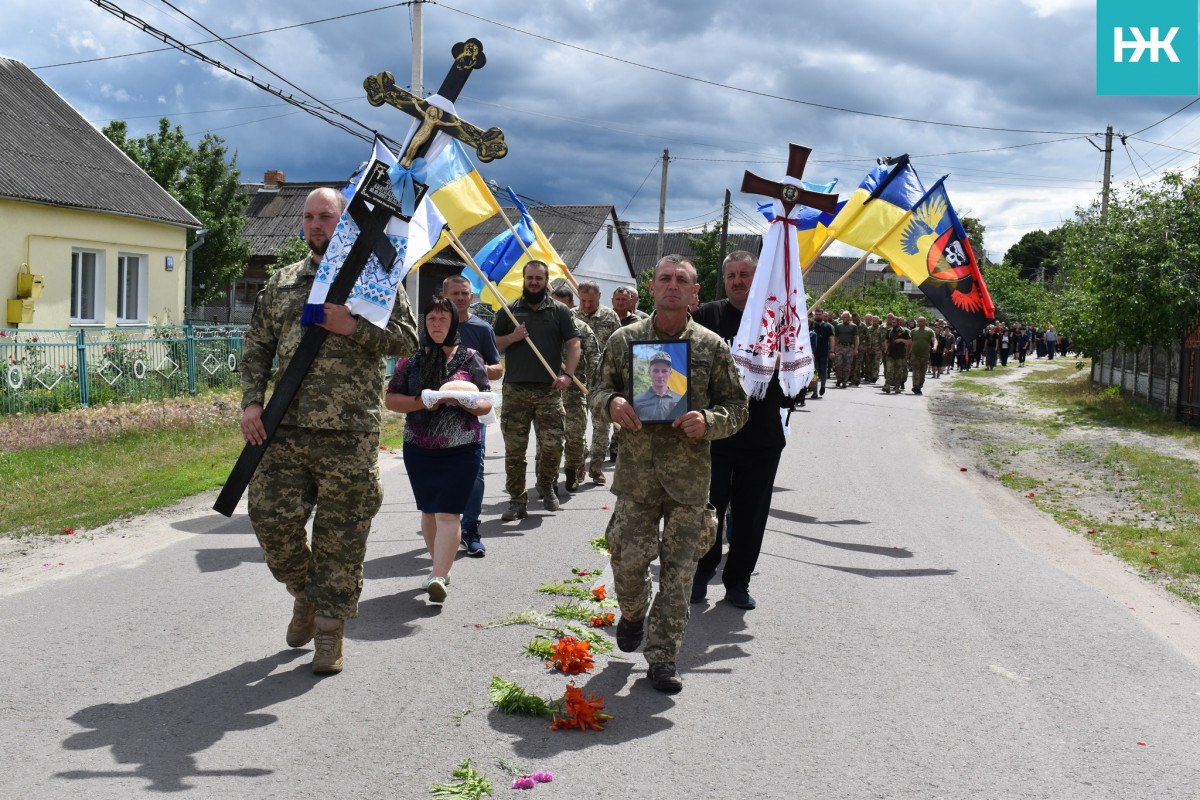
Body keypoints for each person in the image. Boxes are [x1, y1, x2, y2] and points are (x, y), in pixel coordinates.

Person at [239, 187, 418, 674]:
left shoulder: (376, 281)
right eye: (310, 217)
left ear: (345, 224)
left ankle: (329, 635)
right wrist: (251, 402)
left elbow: (407, 339)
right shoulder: (281, 284)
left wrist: (352, 327)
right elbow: (256, 347)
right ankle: (305, 594)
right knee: (270, 521)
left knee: (342, 537)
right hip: (285, 428)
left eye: (326, 216)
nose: (316, 225)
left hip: (350, 432)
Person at [590, 254, 748, 693]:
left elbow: (738, 408)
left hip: (689, 482)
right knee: (626, 561)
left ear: (695, 293)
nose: (673, 285)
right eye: (665, 278)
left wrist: (710, 422)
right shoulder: (624, 340)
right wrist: (611, 404)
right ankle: (634, 612)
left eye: (682, 280)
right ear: (653, 288)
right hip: (638, 477)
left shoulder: (712, 346)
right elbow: (597, 390)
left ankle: (662, 658)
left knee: (679, 575)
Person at [691, 251, 785, 611]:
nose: (737, 280)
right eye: (731, 274)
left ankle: (738, 581)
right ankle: (701, 573)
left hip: (761, 435)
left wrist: (780, 362)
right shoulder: (706, 316)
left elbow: (797, 383)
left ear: (756, 278)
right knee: (709, 507)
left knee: (751, 512)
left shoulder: (777, 320)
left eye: (745, 273)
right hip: (715, 433)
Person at [385, 296, 492, 602]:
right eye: (431, 318)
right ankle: (439, 568)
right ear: (425, 322)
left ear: (453, 322)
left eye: (443, 319)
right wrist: (424, 402)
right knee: (429, 512)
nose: (437, 324)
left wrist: (458, 399)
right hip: (419, 448)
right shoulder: (411, 359)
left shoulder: (471, 358)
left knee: (448, 513)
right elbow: (392, 399)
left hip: (462, 448)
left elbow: (485, 404)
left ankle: (438, 576)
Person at [492, 261, 581, 520]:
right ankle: (517, 501)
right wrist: (513, 337)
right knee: (515, 451)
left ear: (546, 280)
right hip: (515, 391)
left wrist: (568, 375)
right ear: (523, 279)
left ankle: (546, 483)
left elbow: (574, 344)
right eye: (529, 277)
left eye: (538, 278)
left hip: (549, 390)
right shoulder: (508, 311)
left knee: (553, 446)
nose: (533, 282)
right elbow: (494, 344)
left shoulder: (560, 311)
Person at [441, 275, 503, 557]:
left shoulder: (482, 328)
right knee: (442, 471)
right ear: (444, 296)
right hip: (440, 411)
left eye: (465, 293)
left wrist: (471, 364)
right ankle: (444, 527)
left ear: (472, 296)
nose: (461, 298)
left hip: (474, 409)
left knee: (474, 469)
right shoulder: (435, 325)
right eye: (455, 293)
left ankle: (471, 528)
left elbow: (498, 369)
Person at [550, 283, 600, 491]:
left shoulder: (581, 327)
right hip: (548, 391)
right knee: (549, 439)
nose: (557, 309)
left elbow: (594, 356)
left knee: (575, 437)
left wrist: (596, 384)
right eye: (554, 304)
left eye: (562, 305)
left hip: (575, 389)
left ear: (571, 305)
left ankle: (571, 471)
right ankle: (548, 478)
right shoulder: (544, 327)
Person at [573, 280, 621, 484]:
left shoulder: (610, 317)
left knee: (601, 425)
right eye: (582, 300)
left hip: (602, 379)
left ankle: (596, 466)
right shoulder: (572, 316)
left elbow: (620, 345)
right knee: (576, 425)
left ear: (599, 297)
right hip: (576, 379)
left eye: (590, 301)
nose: (586, 305)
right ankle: (577, 466)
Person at [631, 349, 685, 421]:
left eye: (664, 371)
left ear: (670, 373)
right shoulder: (636, 401)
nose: (660, 375)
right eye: (656, 371)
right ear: (649, 372)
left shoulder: (681, 401)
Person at [882, 314, 910, 394]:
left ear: (898, 323)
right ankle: (887, 385)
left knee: (898, 372)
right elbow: (886, 341)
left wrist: (901, 340)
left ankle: (897, 387)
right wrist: (886, 348)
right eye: (892, 322)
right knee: (889, 370)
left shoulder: (904, 331)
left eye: (894, 322)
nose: (893, 324)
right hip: (890, 354)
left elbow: (910, 342)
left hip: (900, 355)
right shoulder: (890, 331)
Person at [831, 310, 859, 388]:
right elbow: (836, 338)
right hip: (840, 347)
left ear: (849, 317)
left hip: (849, 347)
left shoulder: (853, 326)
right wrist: (834, 348)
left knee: (847, 365)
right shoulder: (839, 326)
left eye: (845, 317)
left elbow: (856, 338)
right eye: (842, 317)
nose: (843, 318)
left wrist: (856, 349)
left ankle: (844, 381)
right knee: (838, 364)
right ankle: (839, 378)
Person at [908, 316, 935, 395]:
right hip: (915, 354)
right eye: (918, 321)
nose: (919, 323)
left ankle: (919, 386)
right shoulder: (913, 331)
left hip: (925, 355)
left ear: (925, 322)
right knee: (915, 371)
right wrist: (907, 354)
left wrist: (935, 346)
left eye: (921, 321)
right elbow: (910, 343)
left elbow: (934, 340)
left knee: (922, 372)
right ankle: (915, 386)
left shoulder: (929, 331)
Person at [811, 309, 834, 396]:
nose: (818, 316)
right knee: (815, 372)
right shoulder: (811, 326)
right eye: (816, 314)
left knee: (823, 371)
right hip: (813, 353)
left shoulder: (828, 326)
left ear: (823, 315)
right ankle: (814, 392)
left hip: (824, 352)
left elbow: (831, 339)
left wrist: (832, 351)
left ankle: (823, 385)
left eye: (820, 314)